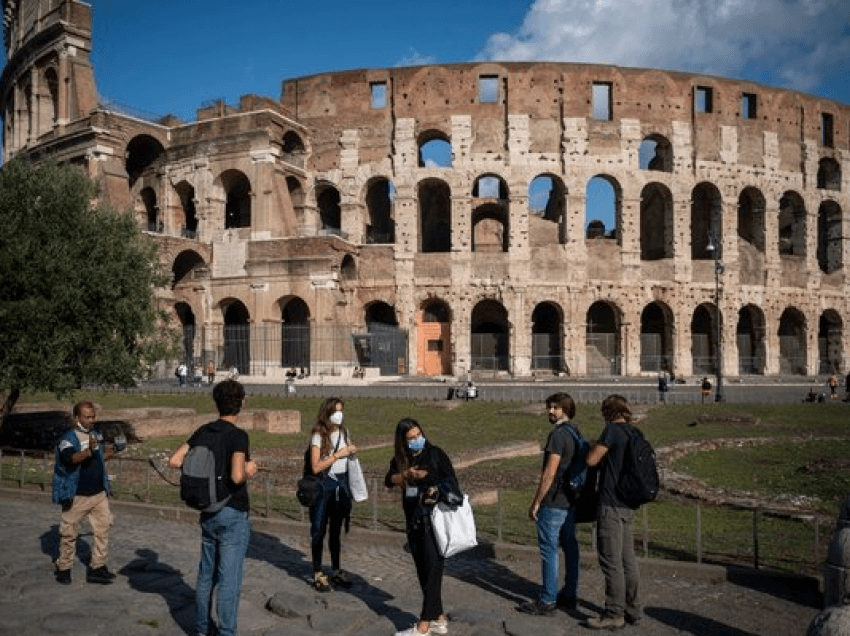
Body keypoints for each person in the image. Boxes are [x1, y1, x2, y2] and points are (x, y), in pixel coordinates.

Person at [168, 379, 257, 636]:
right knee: (229, 578)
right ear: (241, 403)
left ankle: (202, 629)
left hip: (207, 510)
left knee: (207, 576)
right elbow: (238, 475)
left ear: (217, 403)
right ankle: (227, 632)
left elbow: (175, 461)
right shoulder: (238, 436)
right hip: (232, 510)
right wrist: (250, 469)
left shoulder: (203, 431)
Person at [385, 418, 457, 636]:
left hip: (434, 520)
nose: (417, 440)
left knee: (434, 569)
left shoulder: (435, 453)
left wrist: (426, 477)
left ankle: (424, 624)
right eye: (411, 438)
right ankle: (439, 617)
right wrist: (406, 475)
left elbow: (451, 481)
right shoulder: (401, 459)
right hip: (414, 520)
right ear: (403, 442)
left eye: (418, 435)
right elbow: (389, 480)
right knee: (423, 571)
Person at [517, 392, 581, 616]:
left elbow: (549, 474)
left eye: (555, 408)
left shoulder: (558, 436)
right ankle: (570, 595)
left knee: (549, 551)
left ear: (565, 409)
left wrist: (536, 502)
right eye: (548, 407)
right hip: (569, 501)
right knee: (571, 549)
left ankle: (547, 599)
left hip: (554, 501)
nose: (550, 411)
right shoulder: (575, 432)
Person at [584, 395, 642, 630]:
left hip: (610, 502)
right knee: (629, 560)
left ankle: (613, 613)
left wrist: (592, 448)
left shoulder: (612, 431)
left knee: (611, 560)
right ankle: (633, 609)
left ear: (607, 412)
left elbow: (591, 460)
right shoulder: (635, 433)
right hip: (628, 503)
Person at [52, 401, 120, 585]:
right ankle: (64, 567)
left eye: (93, 416)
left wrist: (115, 450)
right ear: (77, 418)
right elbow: (72, 458)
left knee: (103, 530)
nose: (91, 420)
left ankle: (98, 567)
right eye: (87, 417)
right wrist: (88, 449)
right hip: (77, 495)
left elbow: (100, 456)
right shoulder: (68, 438)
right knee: (69, 533)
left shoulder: (96, 433)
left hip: (98, 493)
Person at [307, 397, 357, 592]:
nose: (340, 415)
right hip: (323, 484)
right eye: (336, 411)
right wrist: (337, 455)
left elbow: (347, 455)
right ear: (327, 413)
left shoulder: (345, 432)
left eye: (341, 411)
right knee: (319, 528)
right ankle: (318, 571)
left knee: (336, 529)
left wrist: (351, 452)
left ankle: (336, 570)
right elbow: (315, 466)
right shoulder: (318, 435)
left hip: (341, 484)